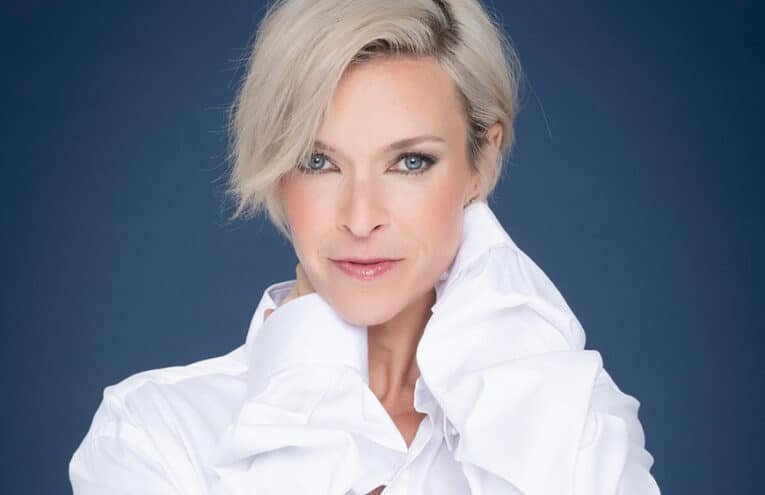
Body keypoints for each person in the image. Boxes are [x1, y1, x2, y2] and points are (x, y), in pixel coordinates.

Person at [69, 0, 660, 493]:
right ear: (278, 169)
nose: (360, 218)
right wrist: (305, 396)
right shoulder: (153, 435)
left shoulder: (571, 423)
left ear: (481, 162)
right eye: (318, 161)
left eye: (410, 162)